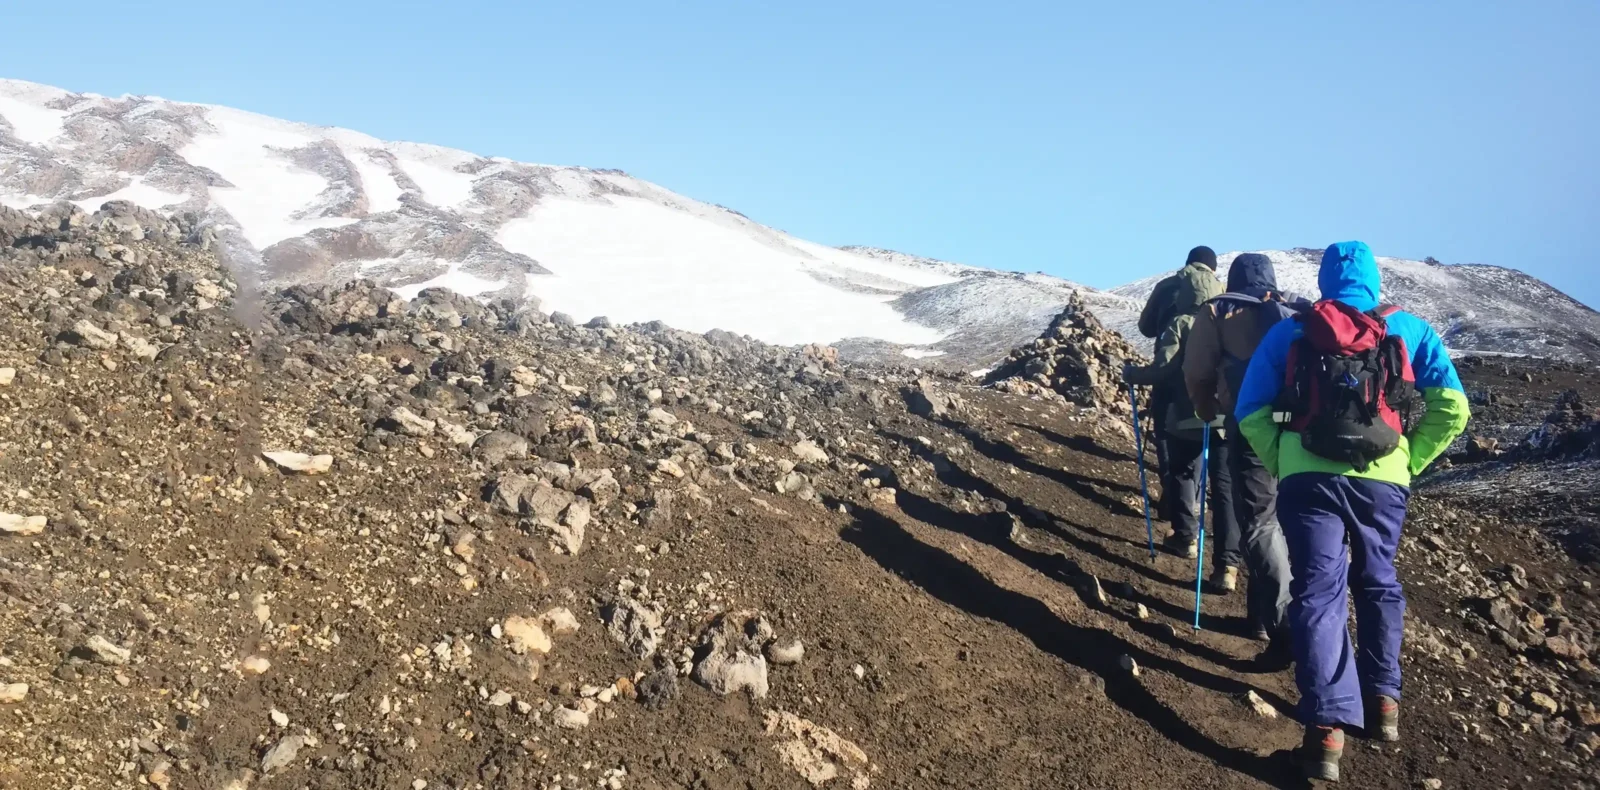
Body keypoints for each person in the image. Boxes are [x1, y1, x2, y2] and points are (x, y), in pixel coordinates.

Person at [1234, 241, 1470, 782]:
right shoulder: (1407, 330)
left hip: (1308, 475)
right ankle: (1384, 701)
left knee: (1319, 590)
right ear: (1374, 280)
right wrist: (1410, 460)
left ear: (1323, 279)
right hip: (1384, 478)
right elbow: (1454, 407)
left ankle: (1325, 734)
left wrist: (1284, 460)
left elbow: (1250, 410)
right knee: (1380, 581)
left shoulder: (1293, 329)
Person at [1183, 252, 1300, 659]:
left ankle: (1283, 624)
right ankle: (1260, 618)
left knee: (1258, 521)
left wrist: (1208, 412)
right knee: (1281, 522)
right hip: (1299, 432)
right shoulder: (1292, 312)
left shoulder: (1218, 310)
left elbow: (1197, 371)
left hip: (1246, 426)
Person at [1127, 246, 1235, 568]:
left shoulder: (1174, 305)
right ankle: (1227, 564)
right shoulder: (1231, 318)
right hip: (1226, 412)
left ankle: (1185, 531)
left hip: (1180, 400)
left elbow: (1149, 334)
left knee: (1179, 462)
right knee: (1225, 482)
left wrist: (1134, 375)